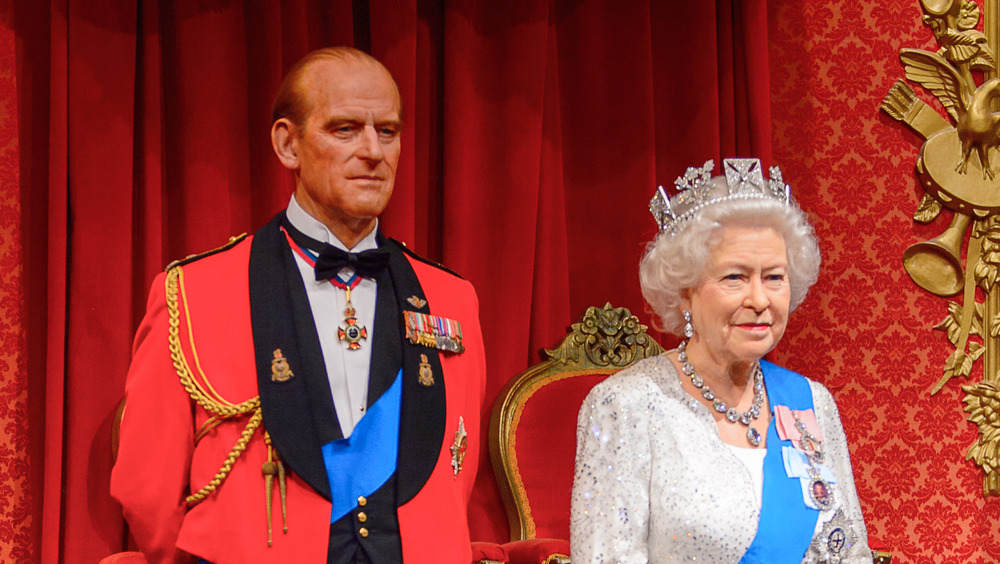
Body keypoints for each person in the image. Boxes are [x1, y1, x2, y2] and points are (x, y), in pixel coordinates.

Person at [111, 47, 486, 564]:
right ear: (288, 144)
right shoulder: (194, 293)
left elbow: (452, 475)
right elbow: (145, 488)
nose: (373, 151)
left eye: (389, 131)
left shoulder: (452, 298)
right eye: (345, 129)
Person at [570, 158, 871, 563]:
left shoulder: (811, 403)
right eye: (735, 277)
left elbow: (850, 553)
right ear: (685, 291)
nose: (760, 300)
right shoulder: (627, 406)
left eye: (774, 277)